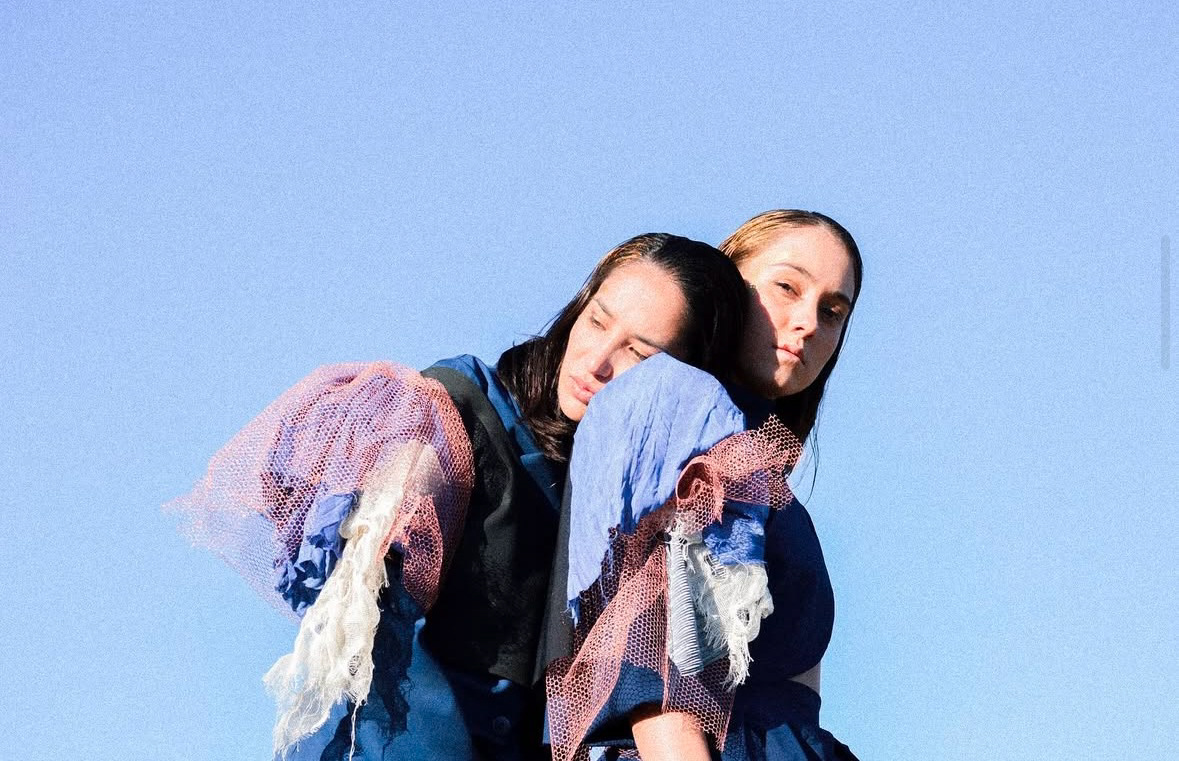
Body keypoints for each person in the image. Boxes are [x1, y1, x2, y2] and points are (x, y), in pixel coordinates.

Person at [168, 232, 749, 761]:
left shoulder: (631, 508)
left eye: (639, 354)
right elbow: (381, 602)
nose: (598, 363)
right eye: (597, 322)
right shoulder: (456, 407)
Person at [544, 210, 863, 761]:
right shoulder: (677, 414)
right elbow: (655, 682)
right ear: (728, 282)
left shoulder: (763, 475)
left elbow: (799, 699)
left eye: (832, 311)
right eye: (787, 288)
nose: (808, 321)